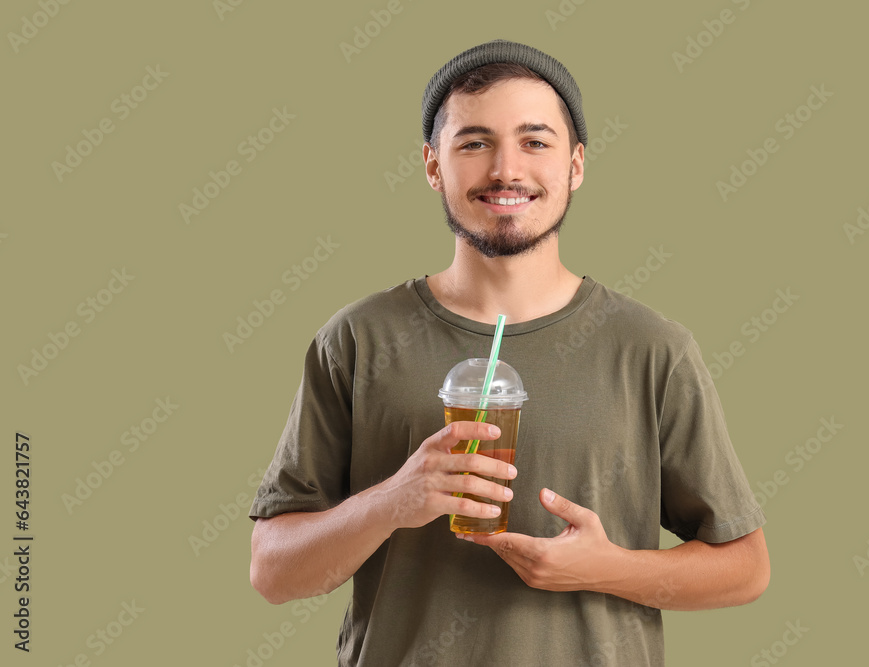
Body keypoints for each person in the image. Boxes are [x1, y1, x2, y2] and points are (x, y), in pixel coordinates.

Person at [249, 39, 769, 666]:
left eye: (535, 141)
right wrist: (392, 502)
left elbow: (745, 569)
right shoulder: (359, 340)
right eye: (474, 143)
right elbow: (274, 573)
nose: (506, 170)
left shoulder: (653, 350)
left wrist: (608, 569)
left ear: (575, 165)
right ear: (432, 165)